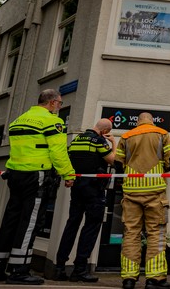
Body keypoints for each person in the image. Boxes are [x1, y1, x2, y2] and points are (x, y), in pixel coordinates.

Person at [0, 89, 76, 285]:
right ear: (52, 103)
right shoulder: (53, 121)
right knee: (30, 221)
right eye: (60, 103)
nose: (60, 107)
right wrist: (68, 175)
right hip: (37, 174)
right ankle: (19, 270)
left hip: (15, 174)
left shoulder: (19, 120)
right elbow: (58, 152)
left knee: (11, 219)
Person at [115, 112, 170, 289]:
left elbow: (118, 164)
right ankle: (155, 279)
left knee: (131, 234)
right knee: (156, 235)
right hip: (154, 192)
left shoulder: (126, 136)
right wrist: (161, 167)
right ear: (151, 121)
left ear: (138, 122)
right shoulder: (162, 134)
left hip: (131, 193)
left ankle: (128, 279)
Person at [54, 118, 116, 282]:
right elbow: (113, 160)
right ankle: (79, 270)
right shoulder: (99, 140)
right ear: (104, 132)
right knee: (91, 227)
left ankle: (59, 267)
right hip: (93, 189)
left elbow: (67, 159)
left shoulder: (76, 140)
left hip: (77, 187)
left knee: (72, 224)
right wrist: (113, 143)